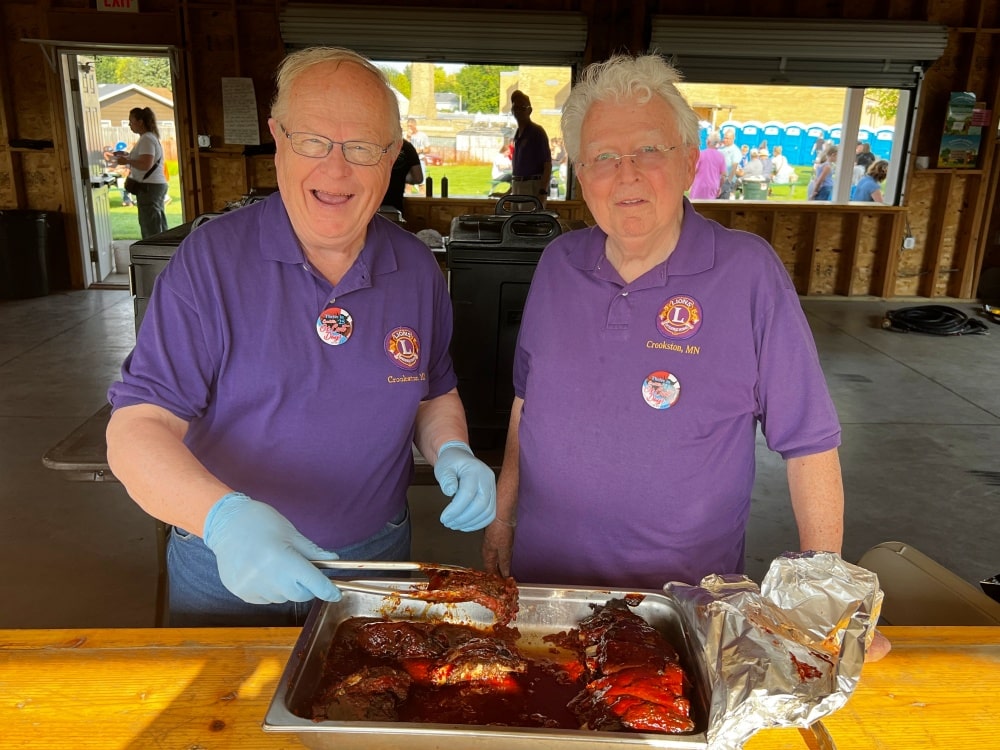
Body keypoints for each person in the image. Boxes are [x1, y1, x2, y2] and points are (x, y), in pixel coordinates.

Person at [480, 53, 891, 658]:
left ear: (690, 161)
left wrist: (821, 596)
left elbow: (809, 443)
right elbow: (526, 402)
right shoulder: (557, 264)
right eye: (602, 157)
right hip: (546, 592)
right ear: (580, 174)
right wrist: (502, 517)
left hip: (680, 610)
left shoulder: (747, 272)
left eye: (649, 150)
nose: (626, 175)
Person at [106, 46, 497, 628]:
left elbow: (432, 392)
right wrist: (222, 520)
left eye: (362, 147)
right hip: (222, 565)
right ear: (278, 139)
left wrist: (453, 450)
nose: (335, 172)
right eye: (313, 141)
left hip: (373, 560)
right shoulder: (210, 261)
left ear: (392, 156)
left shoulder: (417, 268)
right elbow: (137, 427)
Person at [116, 107, 168, 237]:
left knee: (150, 227)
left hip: (149, 187)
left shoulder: (146, 139)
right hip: (153, 186)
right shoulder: (149, 138)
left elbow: (146, 164)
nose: (129, 125)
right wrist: (128, 157)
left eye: (131, 121)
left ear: (140, 122)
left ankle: (152, 249)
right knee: (157, 223)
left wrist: (126, 161)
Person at [509, 90, 552, 205]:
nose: (518, 111)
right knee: (514, 217)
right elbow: (518, 167)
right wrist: (509, 191)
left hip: (532, 186)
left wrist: (542, 191)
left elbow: (547, 165)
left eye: (522, 107)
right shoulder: (517, 134)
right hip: (517, 186)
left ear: (530, 110)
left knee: (528, 217)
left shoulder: (537, 132)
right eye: (515, 107)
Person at [381, 137, 422, 212]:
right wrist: (400, 176)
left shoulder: (369, 143)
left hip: (368, 206)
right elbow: (418, 178)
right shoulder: (406, 146)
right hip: (395, 205)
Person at [688, 131, 726, 199]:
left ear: (708, 142)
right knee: (709, 205)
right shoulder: (721, 156)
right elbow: (723, 175)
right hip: (713, 187)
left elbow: (694, 170)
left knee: (696, 204)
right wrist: (719, 186)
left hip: (699, 186)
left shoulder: (701, 154)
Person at [406, 118, 430, 193]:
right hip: (409, 162)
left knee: (421, 185)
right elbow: (404, 149)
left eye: (411, 126)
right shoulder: (405, 135)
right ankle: (408, 200)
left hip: (420, 161)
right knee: (408, 185)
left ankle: (422, 199)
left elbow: (428, 149)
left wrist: (420, 150)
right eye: (408, 126)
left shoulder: (422, 135)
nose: (409, 128)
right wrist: (408, 138)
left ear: (415, 125)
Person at [718, 127, 742, 199]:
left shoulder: (735, 151)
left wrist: (728, 182)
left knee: (723, 200)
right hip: (718, 179)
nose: (725, 140)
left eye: (727, 138)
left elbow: (734, 168)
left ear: (733, 139)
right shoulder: (721, 149)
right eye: (724, 138)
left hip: (727, 181)